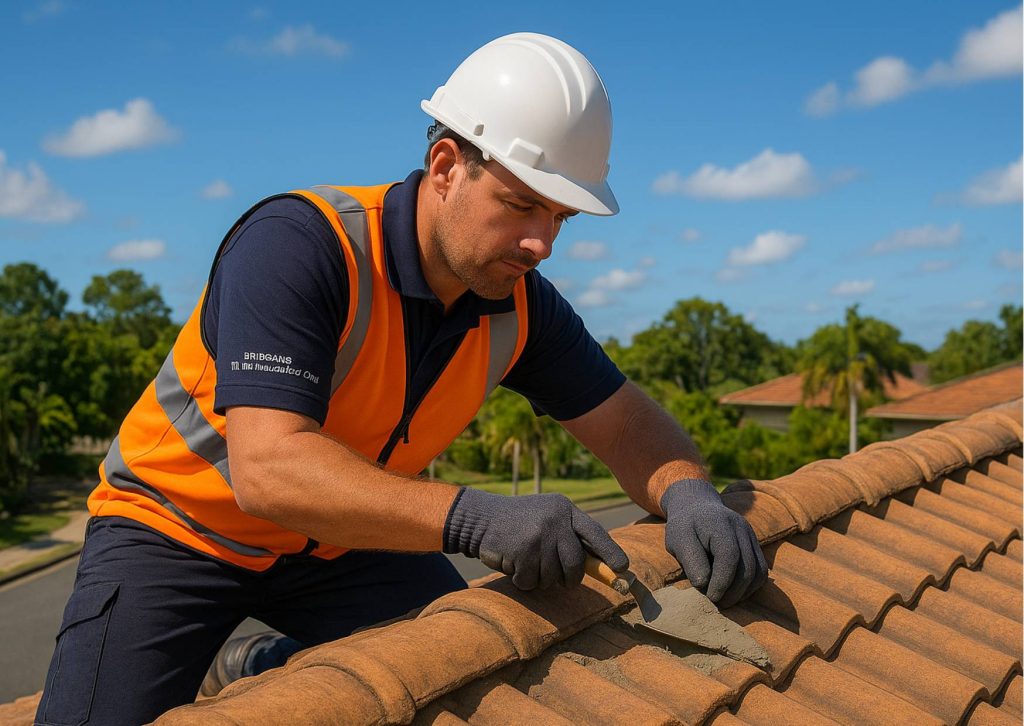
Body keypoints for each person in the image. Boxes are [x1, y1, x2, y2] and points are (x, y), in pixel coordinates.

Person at [35, 32, 767, 726]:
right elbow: (267, 470)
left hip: (339, 546)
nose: (540, 242)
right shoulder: (301, 246)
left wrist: (688, 492)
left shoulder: (518, 303)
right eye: (519, 205)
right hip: (175, 533)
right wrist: (477, 518)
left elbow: (626, 421)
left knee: (472, 671)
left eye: (560, 216)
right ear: (446, 167)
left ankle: (277, 663)